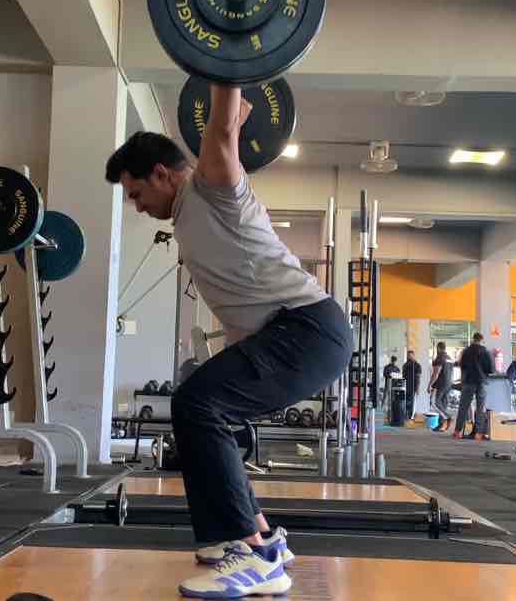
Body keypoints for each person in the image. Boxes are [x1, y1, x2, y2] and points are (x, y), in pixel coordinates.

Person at [105, 85, 353, 599]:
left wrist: (224, 66)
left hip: (306, 328)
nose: (136, 205)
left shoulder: (211, 188)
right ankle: (259, 538)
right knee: (201, 404)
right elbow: (231, 122)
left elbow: (221, 128)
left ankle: (251, 555)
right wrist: (235, 115)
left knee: (198, 404)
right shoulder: (190, 209)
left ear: (162, 174)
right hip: (295, 332)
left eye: (135, 193)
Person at [452, 333, 494, 441]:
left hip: (468, 381)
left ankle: (457, 432)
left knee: (463, 407)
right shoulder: (485, 352)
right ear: (481, 340)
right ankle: (478, 433)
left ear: (473, 339)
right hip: (481, 382)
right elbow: (490, 369)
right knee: (480, 408)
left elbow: (461, 365)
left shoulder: (466, 351)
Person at [428, 342, 453, 432]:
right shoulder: (449, 358)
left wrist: (429, 385)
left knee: (434, 403)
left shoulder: (439, 358)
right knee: (443, 405)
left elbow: (436, 374)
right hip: (449, 384)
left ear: (438, 348)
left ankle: (448, 417)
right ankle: (442, 424)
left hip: (440, 384)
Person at [402, 350, 422, 420]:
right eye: (408, 356)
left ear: (413, 356)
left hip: (413, 387)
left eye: (410, 356)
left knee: (412, 403)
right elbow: (403, 376)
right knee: (405, 402)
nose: (409, 357)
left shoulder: (417, 365)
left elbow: (418, 377)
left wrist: (417, 388)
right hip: (405, 386)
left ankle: (410, 416)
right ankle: (405, 415)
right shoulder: (405, 365)